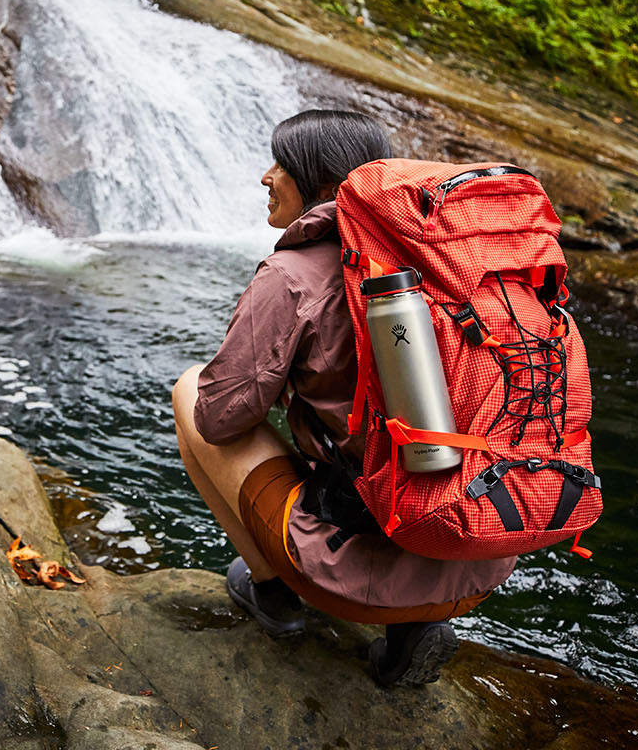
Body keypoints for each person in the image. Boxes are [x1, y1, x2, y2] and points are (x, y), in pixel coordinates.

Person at [172, 109, 515, 686]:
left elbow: (220, 416)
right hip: (483, 550)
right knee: (394, 446)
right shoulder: (449, 264)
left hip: (352, 576)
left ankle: (274, 594)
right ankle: (414, 631)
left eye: (283, 164)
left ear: (329, 189)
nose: (265, 176)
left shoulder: (292, 274)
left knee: (191, 392)